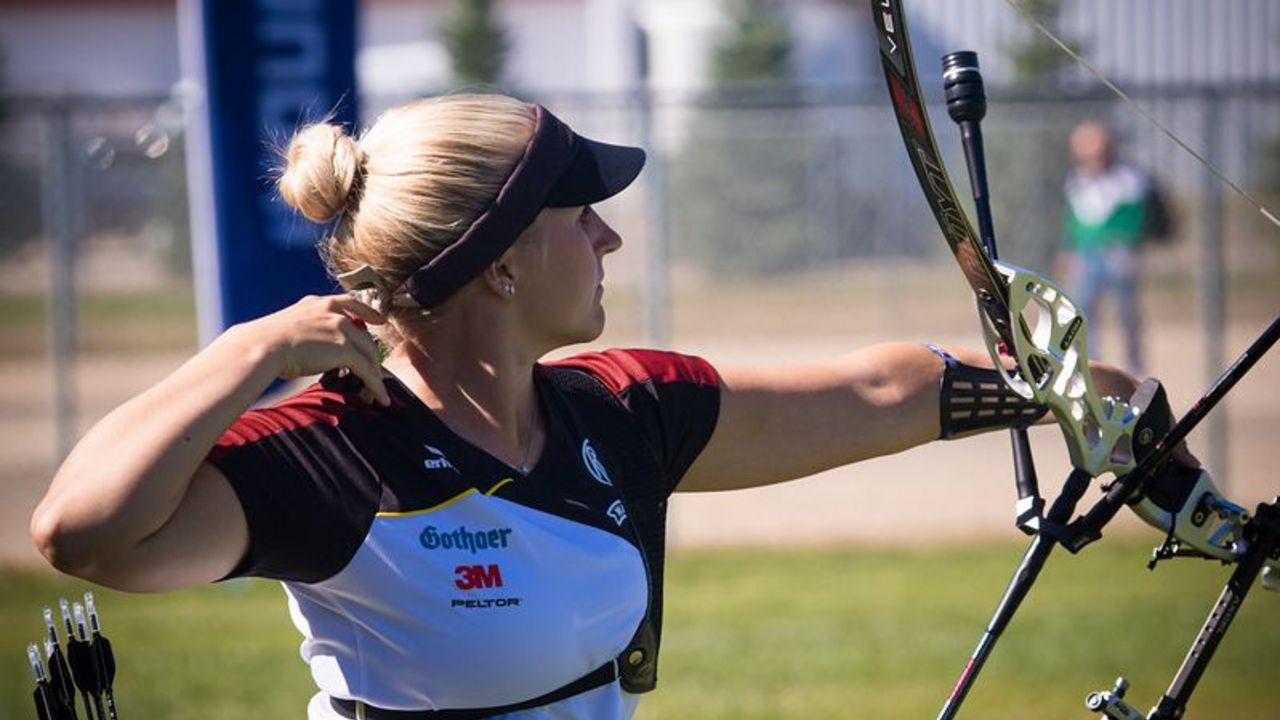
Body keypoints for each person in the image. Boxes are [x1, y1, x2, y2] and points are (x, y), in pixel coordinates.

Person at [31, 94, 1160, 719]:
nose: (610, 238)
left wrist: (1056, 391)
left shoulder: (625, 411)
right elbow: (82, 532)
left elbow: (872, 391)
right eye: (583, 215)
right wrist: (248, 350)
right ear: (503, 265)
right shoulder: (332, 457)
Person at [1059, 119, 1155, 375]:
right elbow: (1073, 221)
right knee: (1084, 309)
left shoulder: (1128, 178)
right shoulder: (1077, 179)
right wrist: (1069, 251)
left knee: (1126, 311)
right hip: (1086, 252)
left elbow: (1135, 218)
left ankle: (1135, 361)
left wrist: (1126, 244)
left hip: (1117, 252)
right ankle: (1093, 363)